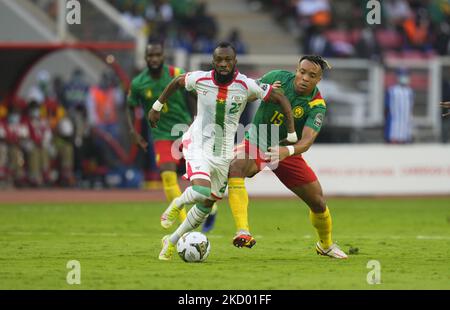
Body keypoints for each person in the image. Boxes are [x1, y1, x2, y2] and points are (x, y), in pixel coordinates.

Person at [149, 42, 296, 260]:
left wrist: (292, 133)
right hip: (198, 142)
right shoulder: (200, 79)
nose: (224, 64)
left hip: (223, 153)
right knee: (201, 192)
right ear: (213, 62)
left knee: (207, 204)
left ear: (235, 62)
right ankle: (176, 204)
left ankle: (170, 242)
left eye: (228, 60)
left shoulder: (246, 85)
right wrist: (157, 106)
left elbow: (280, 98)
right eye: (220, 60)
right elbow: (178, 82)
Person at [228, 55, 348, 259]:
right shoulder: (277, 78)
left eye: (312, 75)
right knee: (236, 168)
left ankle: (325, 245)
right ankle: (243, 231)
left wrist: (287, 151)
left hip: (288, 152)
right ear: (296, 70)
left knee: (318, 203)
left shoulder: (317, 105)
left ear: (319, 79)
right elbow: (246, 94)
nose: (304, 78)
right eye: (302, 72)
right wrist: (262, 91)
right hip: (259, 140)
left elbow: (306, 141)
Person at [127, 40, 218, 229]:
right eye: (150, 55)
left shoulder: (175, 74)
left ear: (163, 56)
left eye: (157, 55)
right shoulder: (138, 83)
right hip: (160, 134)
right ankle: (185, 221)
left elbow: (194, 94)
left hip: (185, 130)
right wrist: (133, 132)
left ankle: (212, 207)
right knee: (168, 176)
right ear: (145, 58)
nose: (154, 59)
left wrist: (198, 117)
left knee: (198, 177)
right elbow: (129, 106)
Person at [384, 69, 414, 144]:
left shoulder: (409, 91)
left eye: (406, 76)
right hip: (393, 124)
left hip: (406, 124)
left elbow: (410, 107)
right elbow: (387, 107)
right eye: (403, 75)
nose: (405, 78)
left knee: (404, 142)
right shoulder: (391, 90)